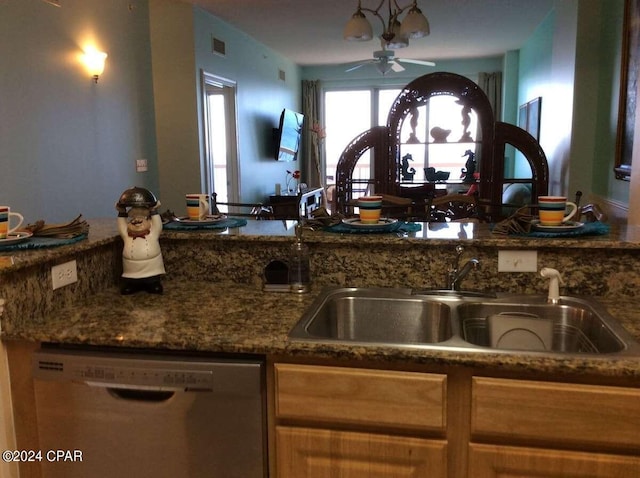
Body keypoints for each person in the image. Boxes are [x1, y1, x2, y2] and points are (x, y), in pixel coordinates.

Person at [116, 201, 165, 294]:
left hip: (151, 266)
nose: (137, 221)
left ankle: (153, 283)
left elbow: (158, 225)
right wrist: (121, 212)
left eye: (141, 219)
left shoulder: (153, 233)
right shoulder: (127, 235)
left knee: (152, 279)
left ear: (148, 221)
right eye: (134, 219)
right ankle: (132, 284)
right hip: (131, 269)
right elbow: (121, 225)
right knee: (132, 280)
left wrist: (154, 211)